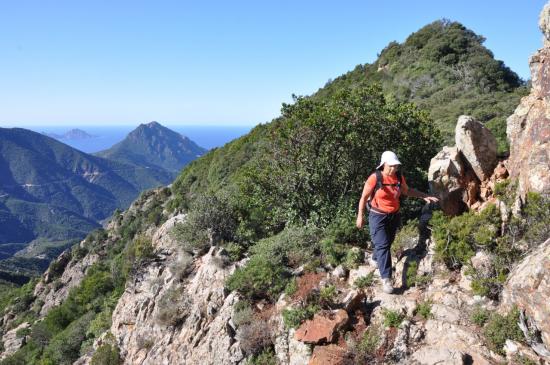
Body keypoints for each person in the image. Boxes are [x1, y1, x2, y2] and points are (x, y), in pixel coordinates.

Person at [356, 151, 439, 294]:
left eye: (396, 166)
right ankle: (386, 279)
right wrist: (360, 216)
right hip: (377, 216)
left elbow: (407, 191)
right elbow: (363, 197)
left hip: (394, 215)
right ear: (383, 164)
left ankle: (375, 257)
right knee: (383, 245)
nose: (394, 168)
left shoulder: (399, 177)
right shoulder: (375, 178)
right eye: (391, 166)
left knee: (388, 242)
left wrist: (424, 196)